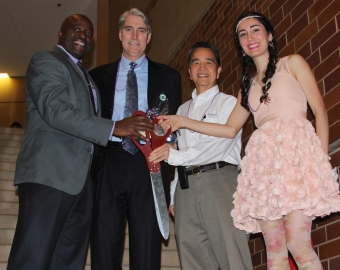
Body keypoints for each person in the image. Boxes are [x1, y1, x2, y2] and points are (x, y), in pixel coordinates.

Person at [156, 12, 340, 269]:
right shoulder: (248, 86)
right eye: (243, 34)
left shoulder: (292, 63)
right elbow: (229, 129)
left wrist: (320, 164)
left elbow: (320, 112)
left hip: (296, 161)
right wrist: (182, 121)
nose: (250, 37)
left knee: (299, 245)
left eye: (255, 30)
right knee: (275, 252)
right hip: (265, 171)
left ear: (269, 35)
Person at [7, 14, 152, 270]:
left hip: (81, 185)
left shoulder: (87, 78)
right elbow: (55, 110)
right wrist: (114, 127)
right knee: (32, 259)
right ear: (60, 33)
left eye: (88, 33)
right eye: (76, 30)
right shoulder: (47, 61)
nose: (83, 36)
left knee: (68, 262)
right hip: (49, 177)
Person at [88, 8, 182, 270]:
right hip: (108, 164)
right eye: (129, 29)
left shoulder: (169, 77)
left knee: (147, 246)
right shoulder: (96, 78)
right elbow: (89, 122)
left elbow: (173, 126)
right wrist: (115, 127)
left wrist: (168, 143)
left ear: (149, 37)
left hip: (149, 165)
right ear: (119, 34)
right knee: (104, 245)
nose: (134, 36)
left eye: (141, 30)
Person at [148, 41, 253, 269]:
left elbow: (218, 145)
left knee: (232, 257)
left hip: (220, 181)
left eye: (209, 62)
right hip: (186, 189)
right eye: (196, 62)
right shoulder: (181, 110)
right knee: (193, 260)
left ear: (219, 70)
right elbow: (180, 149)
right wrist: (175, 194)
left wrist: (172, 156)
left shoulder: (230, 103)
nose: (202, 67)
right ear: (189, 72)